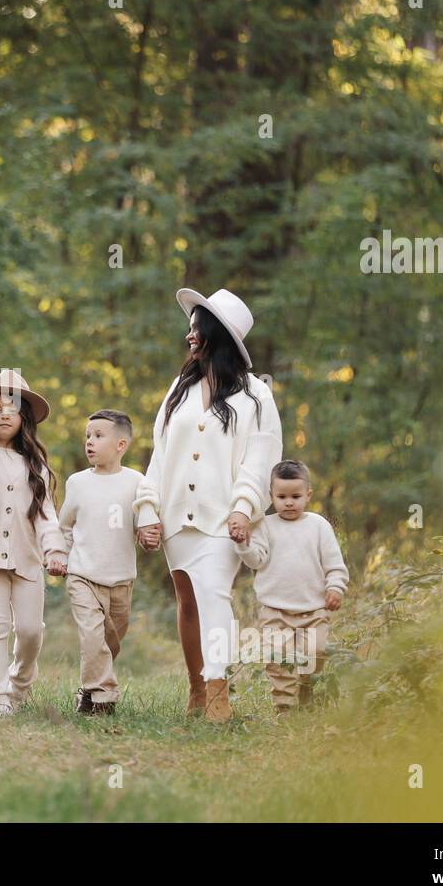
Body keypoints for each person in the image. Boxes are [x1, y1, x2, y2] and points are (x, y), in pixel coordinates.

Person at [135, 287, 283, 723]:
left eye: (196, 328)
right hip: (176, 516)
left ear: (216, 334)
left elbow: (262, 456)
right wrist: (147, 509)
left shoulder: (256, 396)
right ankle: (196, 689)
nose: (189, 336)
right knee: (188, 602)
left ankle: (219, 691)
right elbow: (159, 456)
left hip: (224, 517)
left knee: (215, 595)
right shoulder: (178, 391)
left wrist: (244, 506)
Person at [0, 370, 64, 718]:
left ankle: (19, 683)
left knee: (30, 631)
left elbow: (46, 514)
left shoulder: (35, 465)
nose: (5, 414)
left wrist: (54, 548)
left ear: (25, 417)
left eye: (13, 408)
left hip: (28, 558)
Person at [57, 409, 157, 716]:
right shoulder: (77, 483)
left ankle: (87, 690)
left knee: (108, 643)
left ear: (121, 445)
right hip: (82, 575)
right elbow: (65, 526)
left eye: (99, 436)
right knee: (92, 636)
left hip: (121, 579)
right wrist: (60, 555)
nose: (90, 442)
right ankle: (104, 698)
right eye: (88, 436)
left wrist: (149, 537)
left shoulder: (137, 482)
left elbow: (145, 524)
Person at [234, 460, 348, 717]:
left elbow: (334, 565)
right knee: (278, 659)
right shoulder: (265, 525)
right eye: (281, 496)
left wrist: (335, 588)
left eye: (295, 496)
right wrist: (243, 544)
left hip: (314, 610)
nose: (288, 502)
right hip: (275, 610)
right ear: (271, 496)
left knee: (316, 653)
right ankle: (284, 707)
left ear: (308, 495)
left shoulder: (318, 526)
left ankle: (306, 691)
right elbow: (256, 560)